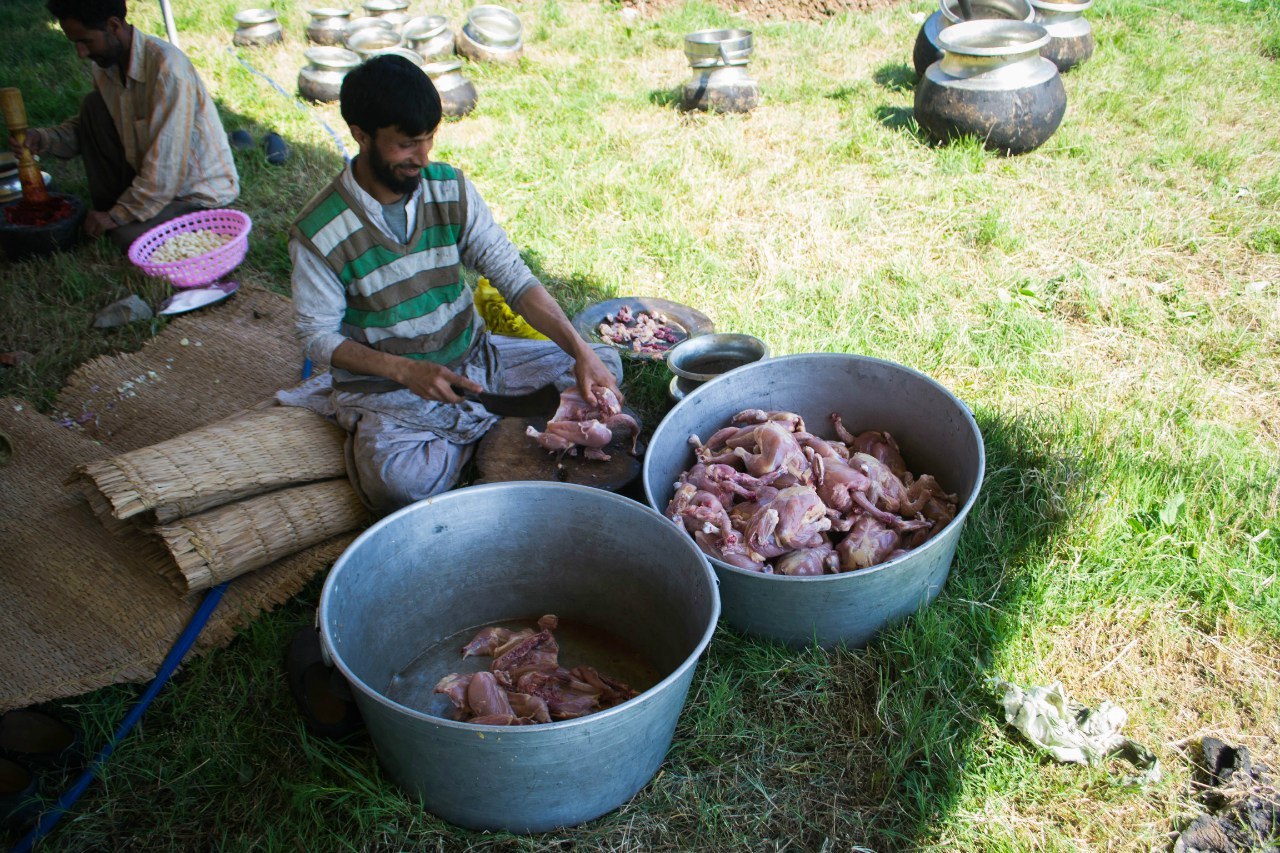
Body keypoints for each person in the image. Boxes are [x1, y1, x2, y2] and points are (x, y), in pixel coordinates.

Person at [281, 54, 623, 515]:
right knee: (397, 485)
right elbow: (317, 337)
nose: (421, 158)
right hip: (390, 388)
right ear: (360, 134)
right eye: (406, 145)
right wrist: (406, 371)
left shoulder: (449, 190)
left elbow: (513, 278)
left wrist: (579, 352)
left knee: (603, 362)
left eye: (428, 141)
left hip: (477, 362)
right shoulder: (320, 232)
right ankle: (491, 434)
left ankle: (481, 431)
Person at [9, 0, 239, 252]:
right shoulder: (105, 65)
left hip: (193, 194)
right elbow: (87, 129)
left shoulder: (168, 69)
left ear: (113, 25)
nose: (81, 53)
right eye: (75, 43)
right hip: (150, 178)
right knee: (93, 107)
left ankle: (122, 212)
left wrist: (116, 216)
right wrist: (42, 139)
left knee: (124, 237)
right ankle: (122, 208)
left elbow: (165, 170)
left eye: (86, 41)